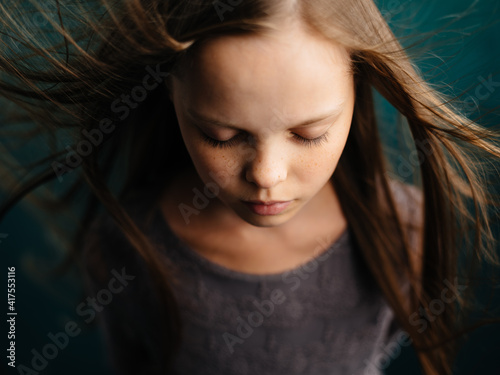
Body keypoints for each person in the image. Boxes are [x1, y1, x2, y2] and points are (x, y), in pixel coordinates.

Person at [0, 1, 498, 374]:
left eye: (309, 134)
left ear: (358, 87)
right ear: (171, 94)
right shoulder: (127, 247)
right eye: (222, 136)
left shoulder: (403, 230)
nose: (267, 175)